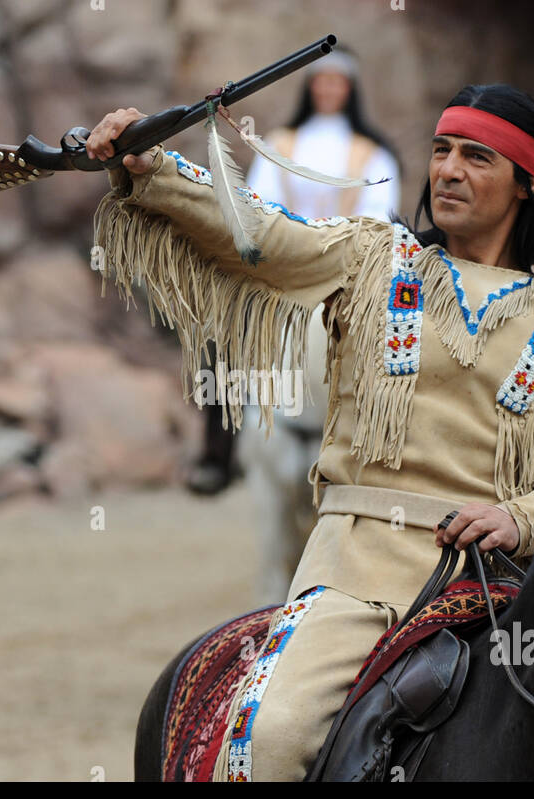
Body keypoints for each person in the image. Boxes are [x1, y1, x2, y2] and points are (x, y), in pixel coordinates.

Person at [88, 84, 534, 781]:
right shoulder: (371, 258)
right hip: (355, 578)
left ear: (525, 180)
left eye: (477, 157)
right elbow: (259, 235)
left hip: (510, 590)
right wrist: (153, 170)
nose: (449, 169)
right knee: (269, 740)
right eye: (441, 150)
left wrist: (519, 518)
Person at [185, 46, 400, 502]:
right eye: (321, 81)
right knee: (226, 335)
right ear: (310, 86)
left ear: (350, 88)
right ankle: (217, 455)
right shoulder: (280, 145)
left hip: (349, 273)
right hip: (286, 271)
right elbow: (258, 206)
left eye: (337, 82)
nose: (328, 89)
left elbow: (380, 213)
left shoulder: (373, 153)